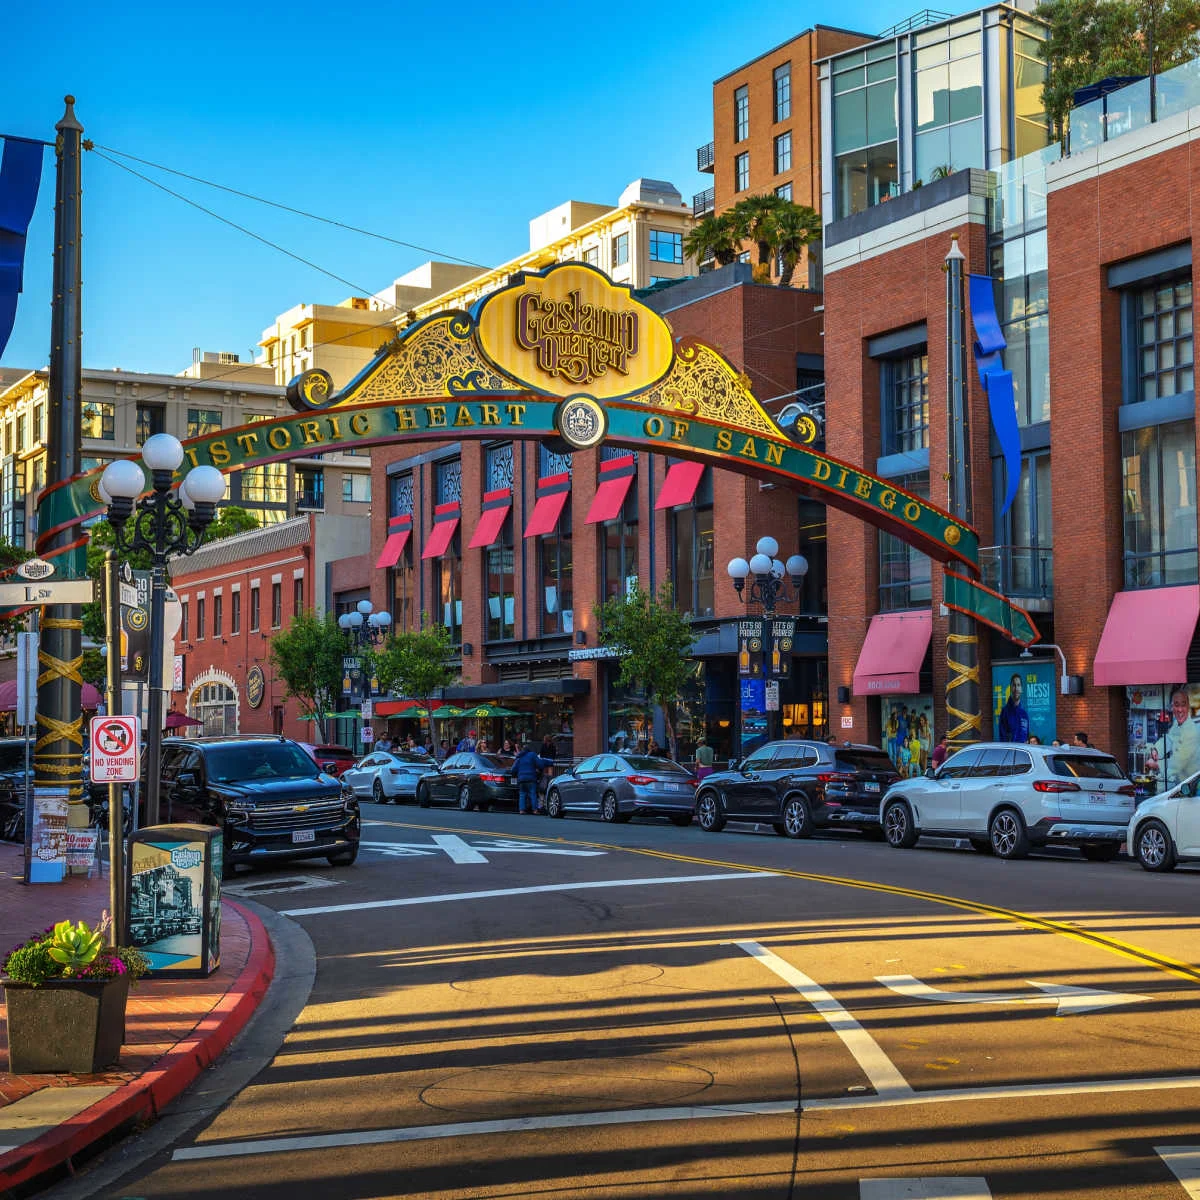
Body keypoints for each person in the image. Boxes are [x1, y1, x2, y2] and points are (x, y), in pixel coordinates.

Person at [512, 741, 553, 814]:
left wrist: (517, 774)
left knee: (522, 794)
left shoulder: (519, 757)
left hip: (521, 779)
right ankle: (535, 810)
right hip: (531, 778)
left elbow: (513, 769)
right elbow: (540, 764)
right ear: (529, 749)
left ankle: (521, 810)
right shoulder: (532, 755)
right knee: (532, 793)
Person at [997, 673, 1030, 743]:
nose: (1016, 688)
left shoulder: (1024, 714)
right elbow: (1002, 736)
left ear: (1021, 689)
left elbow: (1026, 736)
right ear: (1010, 688)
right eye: (1014, 685)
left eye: (1018, 685)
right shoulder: (1005, 712)